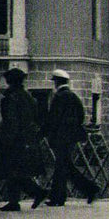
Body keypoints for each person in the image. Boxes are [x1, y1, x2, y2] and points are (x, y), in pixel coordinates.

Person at [44, 69, 99, 206]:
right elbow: (80, 115)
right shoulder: (73, 96)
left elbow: (53, 119)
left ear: (57, 82)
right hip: (71, 138)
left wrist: (45, 133)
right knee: (64, 166)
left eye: (55, 81)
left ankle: (60, 197)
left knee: (62, 166)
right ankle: (86, 190)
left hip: (60, 138)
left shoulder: (59, 97)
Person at [0, 67, 48, 211]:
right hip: (27, 140)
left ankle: (35, 193)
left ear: (10, 81)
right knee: (15, 171)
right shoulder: (28, 97)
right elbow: (36, 118)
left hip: (15, 141)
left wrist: (6, 140)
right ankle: (16, 201)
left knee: (12, 171)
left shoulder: (11, 98)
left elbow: (11, 121)